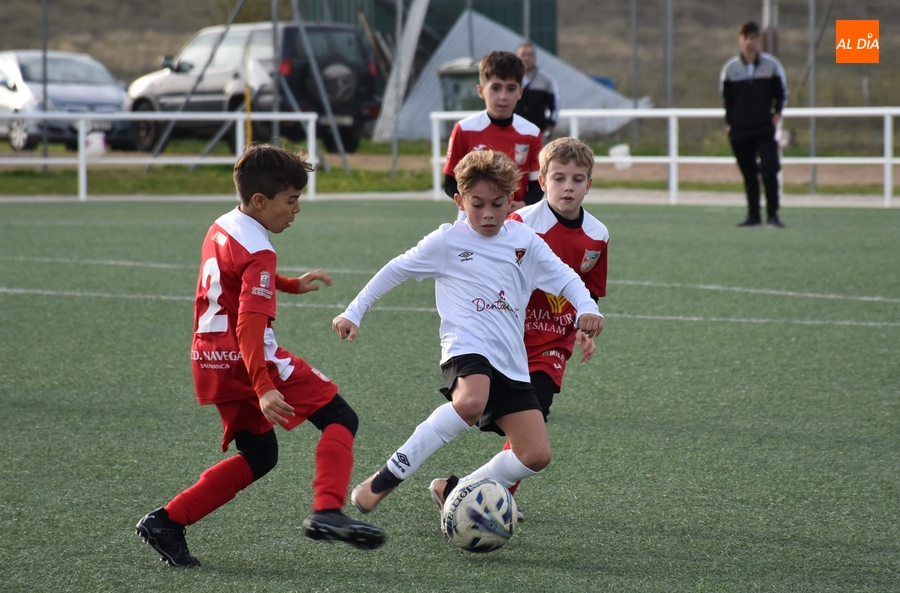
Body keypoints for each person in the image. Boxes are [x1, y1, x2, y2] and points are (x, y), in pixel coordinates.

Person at [135, 143, 385, 568]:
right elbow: (249, 325)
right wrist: (265, 386)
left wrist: (286, 283)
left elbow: (233, 279)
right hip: (247, 361)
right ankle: (327, 509)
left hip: (208, 360)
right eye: (292, 200)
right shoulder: (261, 251)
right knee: (341, 418)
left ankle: (167, 521)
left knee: (260, 455)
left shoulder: (223, 225)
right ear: (260, 201)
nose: (297, 209)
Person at [333, 150, 603, 517]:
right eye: (477, 205)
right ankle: (387, 476)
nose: (488, 214)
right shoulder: (446, 241)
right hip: (467, 347)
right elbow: (395, 270)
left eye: (497, 203)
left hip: (511, 359)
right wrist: (354, 311)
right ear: (460, 201)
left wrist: (588, 308)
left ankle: (460, 493)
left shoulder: (525, 239)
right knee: (471, 401)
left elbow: (566, 277)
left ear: (513, 200)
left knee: (536, 455)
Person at [491, 137, 609, 518]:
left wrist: (583, 330)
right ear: (541, 181)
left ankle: (491, 492)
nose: (568, 186)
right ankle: (476, 488)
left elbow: (588, 291)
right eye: (559, 178)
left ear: (589, 184)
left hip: (552, 342)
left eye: (578, 179)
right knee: (501, 421)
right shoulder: (521, 222)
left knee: (535, 416)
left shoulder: (597, 235)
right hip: (509, 336)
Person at [443, 50, 544, 214]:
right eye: (495, 88)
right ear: (481, 91)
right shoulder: (464, 129)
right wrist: (477, 203)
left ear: (520, 92)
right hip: (472, 225)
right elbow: (449, 183)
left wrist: (523, 205)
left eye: (511, 89)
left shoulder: (531, 133)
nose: (503, 96)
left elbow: (537, 185)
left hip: (515, 223)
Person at [719, 20, 789, 228]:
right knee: (749, 174)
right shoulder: (731, 69)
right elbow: (727, 99)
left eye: (753, 38)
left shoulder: (771, 65)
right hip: (740, 129)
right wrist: (729, 123)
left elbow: (780, 93)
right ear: (739, 40)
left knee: (769, 169)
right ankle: (753, 216)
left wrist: (777, 113)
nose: (749, 42)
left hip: (763, 127)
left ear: (757, 39)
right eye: (745, 38)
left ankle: (773, 215)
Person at [514, 41, 560, 144]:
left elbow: (555, 106)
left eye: (530, 55)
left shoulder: (546, 80)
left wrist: (550, 127)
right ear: (517, 57)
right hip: (514, 132)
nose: (526, 58)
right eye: (523, 55)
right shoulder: (511, 79)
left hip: (538, 132)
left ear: (535, 57)